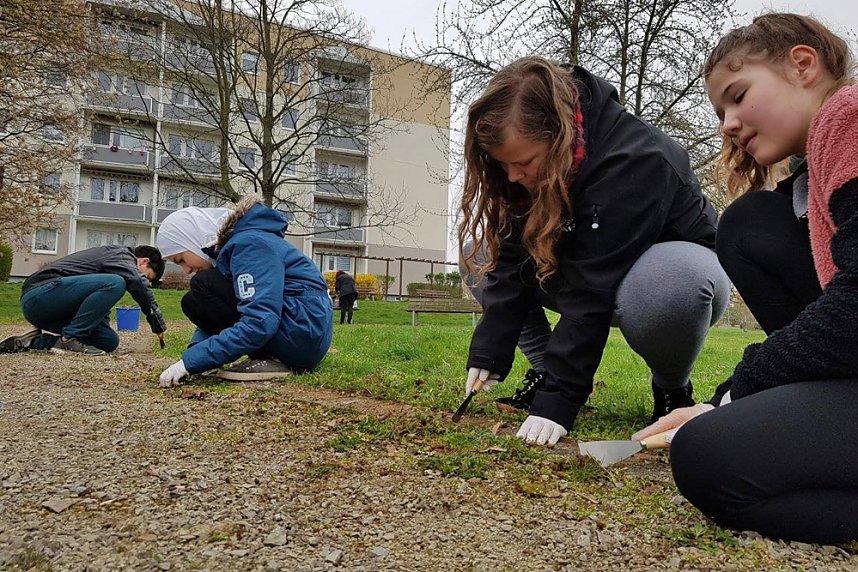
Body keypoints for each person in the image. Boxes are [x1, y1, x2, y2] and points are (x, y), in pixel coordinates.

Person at [634, 13, 858, 543]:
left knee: (709, 460)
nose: (727, 123)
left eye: (737, 96)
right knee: (747, 224)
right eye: (719, 111)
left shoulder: (846, 118)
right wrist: (724, 400)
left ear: (802, 64)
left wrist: (735, 398)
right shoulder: (815, 164)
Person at [459, 56, 731, 446]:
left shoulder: (639, 159)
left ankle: (672, 388)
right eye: (504, 166)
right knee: (481, 253)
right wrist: (490, 350)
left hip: (669, 280)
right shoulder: (528, 171)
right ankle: (542, 371)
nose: (513, 176)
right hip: (589, 270)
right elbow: (512, 256)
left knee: (673, 280)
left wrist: (559, 401)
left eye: (523, 162)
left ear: (562, 136)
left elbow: (590, 291)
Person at [156, 195, 333, 386]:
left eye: (181, 259)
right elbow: (215, 312)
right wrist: (196, 355)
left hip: (300, 337)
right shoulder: (240, 245)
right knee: (192, 301)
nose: (186, 269)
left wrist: (190, 363)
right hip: (300, 333)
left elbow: (260, 321)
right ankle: (268, 355)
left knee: (203, 283)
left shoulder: (249, 245)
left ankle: (276, 359)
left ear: (192, 240)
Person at [0, 245, 167, 355]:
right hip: (39, 294)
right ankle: (69, 339)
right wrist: (157, 323)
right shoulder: (121, 255)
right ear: (144, 261)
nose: (142, 278)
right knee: (117, 283)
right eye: (146, 275)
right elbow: (138, 283)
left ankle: (32, 341)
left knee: (109, 341)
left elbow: (96, 303)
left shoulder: (115, 267)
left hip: (55, 310)